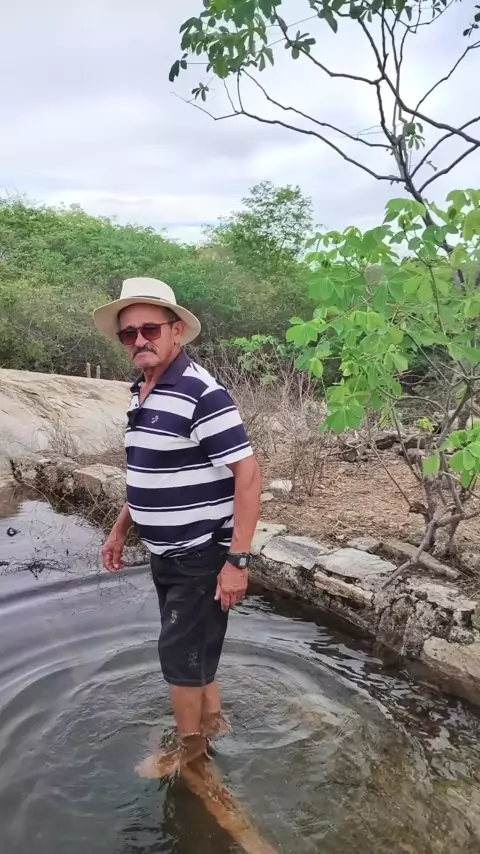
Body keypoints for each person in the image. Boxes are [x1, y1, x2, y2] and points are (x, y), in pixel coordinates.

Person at [93, 277, 262, 777]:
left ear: (177, 331)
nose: (139, 340)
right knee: (194, 649)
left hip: (201, 553)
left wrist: (237, 561)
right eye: (129, 333)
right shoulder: (141, 391)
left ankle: (191, 755)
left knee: (177, 655)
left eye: (150, 329)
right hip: (166, 552)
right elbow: (145, 470)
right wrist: (120, 528)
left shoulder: (200, 393)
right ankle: (213, 721)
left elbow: (249, 475)